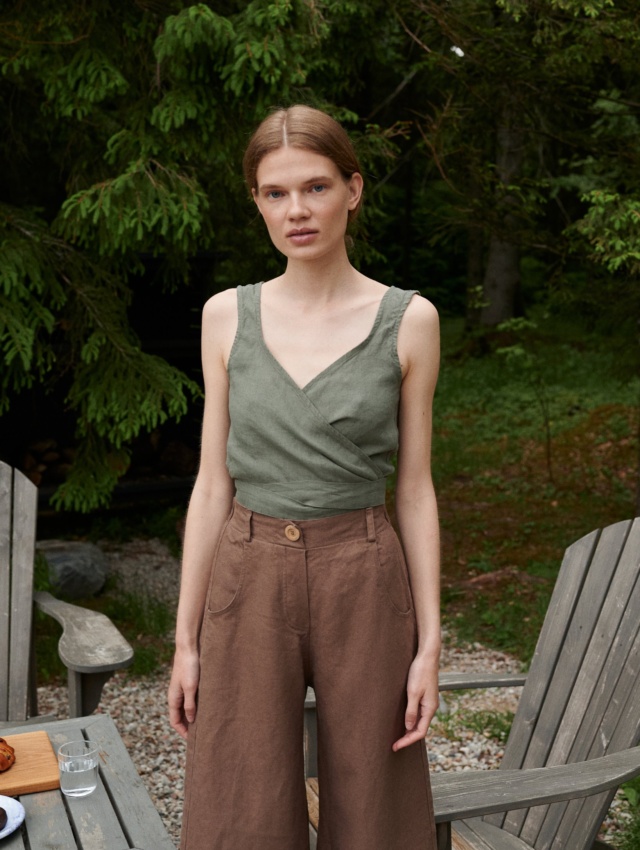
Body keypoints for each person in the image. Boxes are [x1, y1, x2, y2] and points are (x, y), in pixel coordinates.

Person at [168, 104, 441, 850]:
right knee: (240, 798)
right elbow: (212, 484)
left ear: (353, 189)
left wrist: (430, 643)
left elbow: (414, 489)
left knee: (375, 806)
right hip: (249, 571)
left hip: (365, 573)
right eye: (276, 192)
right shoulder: (226, 316)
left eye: (316, 187)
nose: (298, 210)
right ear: (256, 201)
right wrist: (186, 639)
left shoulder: (410, 320)